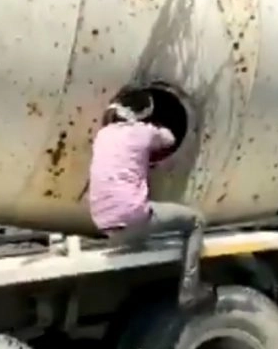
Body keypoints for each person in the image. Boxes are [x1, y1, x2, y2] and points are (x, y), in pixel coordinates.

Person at [88, 87, 212, 310]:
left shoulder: (102, 134)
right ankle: (189, 290)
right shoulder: (143, 132)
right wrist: (154, 125)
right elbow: (170, 139)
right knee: (196, 221)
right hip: (131, 217)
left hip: (102, 221)